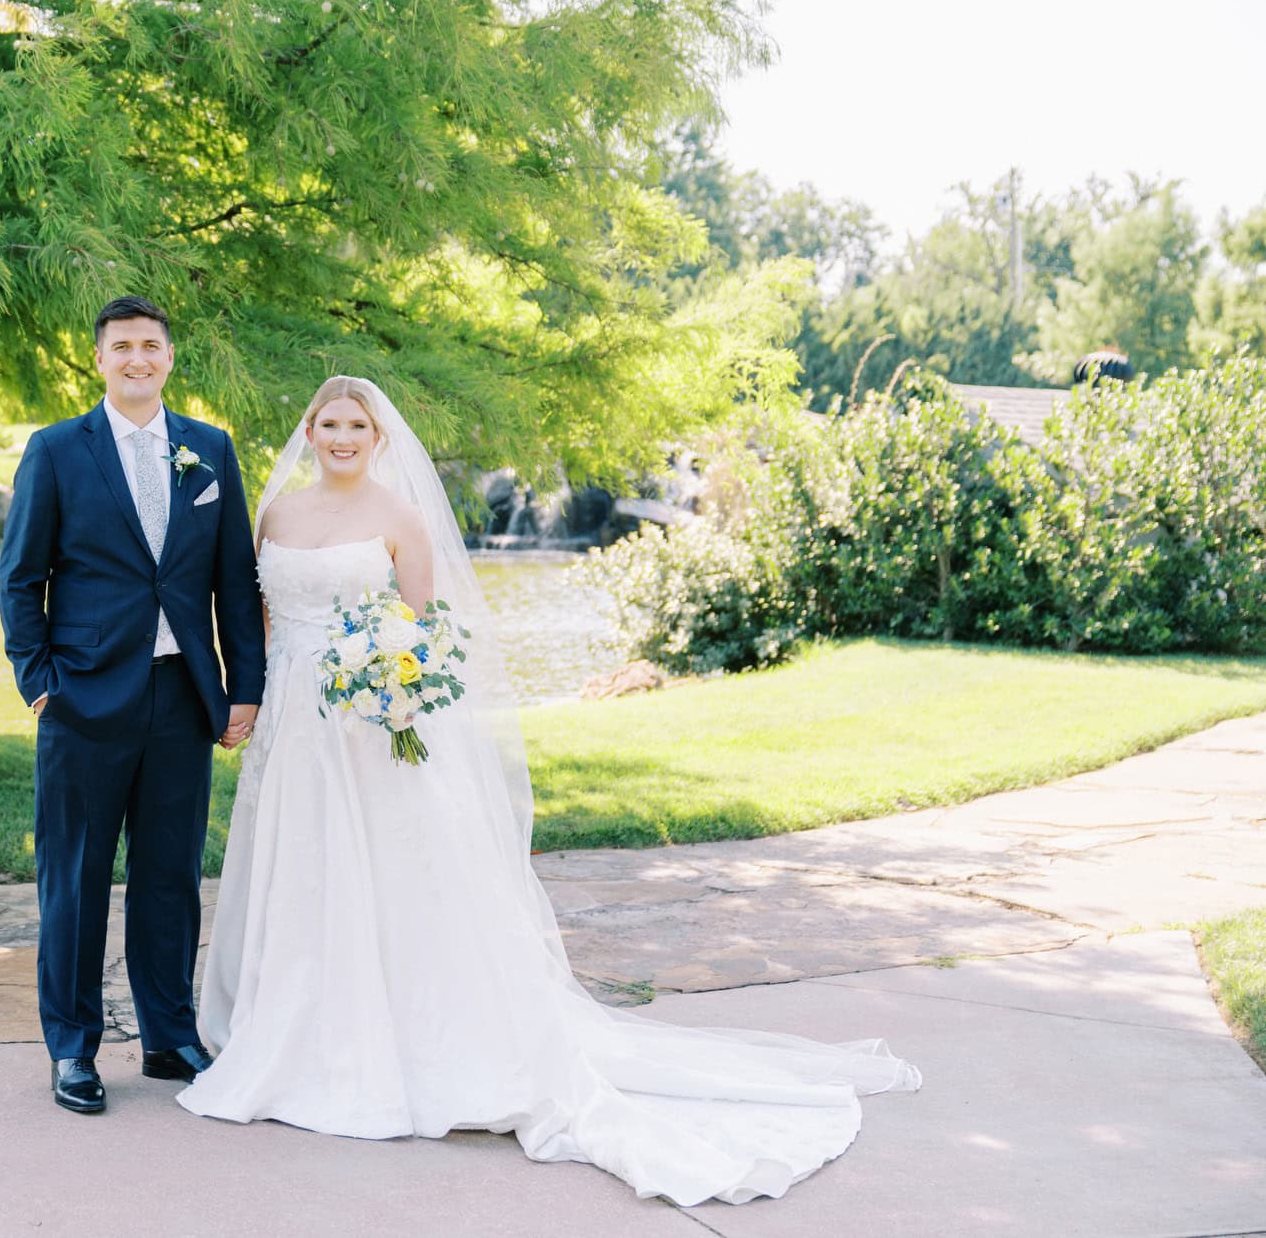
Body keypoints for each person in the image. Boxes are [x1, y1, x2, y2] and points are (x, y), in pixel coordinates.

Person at [175, 375, 922, 1206]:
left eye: (358, 425)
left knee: (383, 879)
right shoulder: (277, 515)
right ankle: (296, 1032)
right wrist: (255, 701)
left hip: (367, 727)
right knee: (301, 870)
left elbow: (426, 636)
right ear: (309, 431)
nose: (343, 437)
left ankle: (390, 1044)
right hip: (292, 723)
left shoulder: (401, 520)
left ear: (378, 438)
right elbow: (264, 622)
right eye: (329, 424)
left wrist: (387, 689)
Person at [0, 295, 266, 1115]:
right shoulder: (55, 451)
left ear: (170, 358)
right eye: (122, 347)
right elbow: (20, 576)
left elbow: (233, 583)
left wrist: (243, 689)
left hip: (183, 698)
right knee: (74, 880)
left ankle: (168, 1036)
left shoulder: (210, 451)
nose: (137, 359)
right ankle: (73, 1049)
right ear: (100, 360)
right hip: (83, 697)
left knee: (170, 877)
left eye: (151, 346)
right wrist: (39, 682)